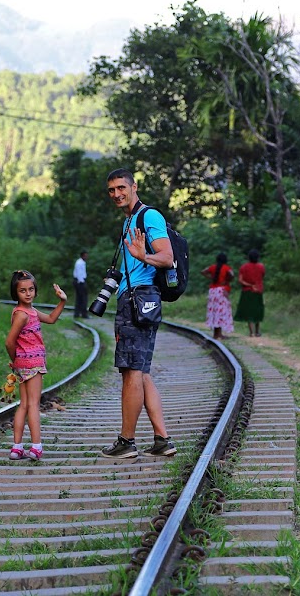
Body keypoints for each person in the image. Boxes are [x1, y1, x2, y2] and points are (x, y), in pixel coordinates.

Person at [101, 168, 177, 459]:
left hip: (139, 300)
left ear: (134, 186)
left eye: (121, 187)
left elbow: (166, 257)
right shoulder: (129, 221)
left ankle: (127, 442)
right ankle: (162, 440)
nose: (117, 194)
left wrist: (143, 256)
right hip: (133, 298)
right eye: (111, 190)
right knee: (141, 372)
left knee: (131, 372)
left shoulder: (149, 216)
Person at [5, 270, 67, 461]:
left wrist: (62, 301)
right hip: (32, 362)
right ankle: (36, 446)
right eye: (23, 291)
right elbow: (9, 342)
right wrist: (15, 359)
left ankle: (17, 448)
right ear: (16, 293)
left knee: (23, 404)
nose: (28, 293)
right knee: (33, 404)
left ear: (35, 290)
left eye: (31, 289)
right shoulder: (23, 315)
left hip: (24, 363)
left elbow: (50, 319)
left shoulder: (29, 312)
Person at [202, 253, 234, 339]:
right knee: (221, 311)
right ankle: (219, 334)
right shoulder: (226, 268)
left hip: (212, 291)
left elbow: (203, 271)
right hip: (221, 291)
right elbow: (232, 274)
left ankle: (216, 334)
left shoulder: (212, 267)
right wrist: (227, 281)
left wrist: (211, 278)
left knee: (214, 311)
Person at [235, 248, 266, 337]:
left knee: (249, 312)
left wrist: (249, 284)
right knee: (257, 311)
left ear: (248, 257)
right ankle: (257, 331)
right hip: (258, 291)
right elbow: (262, 276)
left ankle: (251, 332)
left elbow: (240, 280)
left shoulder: (243, 267)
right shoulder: (261, 267)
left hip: (247, 292)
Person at [72, 250, 89, 318]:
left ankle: (77, 313)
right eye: (85, 255)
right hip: (80, 282)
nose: (86, 257)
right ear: (82, 255)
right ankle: (83, 314)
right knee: (83, 298)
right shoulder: (79, 263)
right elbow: (79, 274)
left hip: (80, 281)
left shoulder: (82, 262)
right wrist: (82, 282)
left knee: (80, 298)